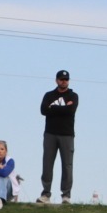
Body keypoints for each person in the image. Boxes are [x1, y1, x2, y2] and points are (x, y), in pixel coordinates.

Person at [38, 69, 79, 205]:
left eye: (66, 79)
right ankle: (45, 194)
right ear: (56, 80)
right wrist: (61, 109)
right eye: (61, 79)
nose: (63, 81)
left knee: (67, 165)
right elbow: (43, 110)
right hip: (50, 134)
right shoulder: (49, 95)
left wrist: (53, 108)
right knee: (47, 164)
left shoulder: (73, 96)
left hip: (67, 135)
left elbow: (70, 111)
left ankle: (66, 195)